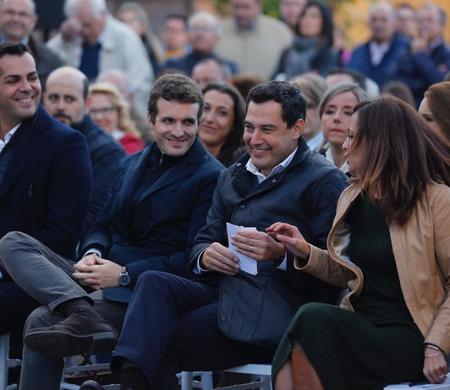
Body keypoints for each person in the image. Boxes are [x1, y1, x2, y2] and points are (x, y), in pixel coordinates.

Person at [102, 80, 348, 390]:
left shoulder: (324, 181)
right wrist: (206, 256)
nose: (254, 139)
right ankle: (131, 374)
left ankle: (128, 376)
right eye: (249, 127)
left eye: (267, 130)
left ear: (297, 128)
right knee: (153, 282)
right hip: (225, 292)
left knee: (155, 341)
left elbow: (337, 271)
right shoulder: (232, 174)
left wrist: (282, 255)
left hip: (276, 311)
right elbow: (201, 241)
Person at [0, 73, 224, 390]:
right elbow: (102, 224)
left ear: (198, 122)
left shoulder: (212, 176)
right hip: (99, 277)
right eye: (169, 120)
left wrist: (122, 274)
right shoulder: (130, 163)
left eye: (188, 122)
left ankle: (78, 310)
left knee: (40, 321)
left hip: (144, 293)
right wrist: (93, 253)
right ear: (151, 119)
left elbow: (192, 257)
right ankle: (77, 308)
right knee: (13, 243)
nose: (178, 131)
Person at [270, 96, 450, 389]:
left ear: (380, 143)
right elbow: (348, 272)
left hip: (415, 334)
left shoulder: (437, 200)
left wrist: (436, 345)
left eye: (354, 137)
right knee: (303, 338)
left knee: (311, 319)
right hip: (361, 323)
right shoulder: (352, 197)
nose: (344, 144)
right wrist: (306, 251)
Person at [0, 43, 91, 335]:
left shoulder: (65, 144)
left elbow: (61, 237)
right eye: (13, 80)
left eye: (32, 77)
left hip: (31, 280)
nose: (27, 87)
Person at [43, 66, 125, 235]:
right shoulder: (32, 139)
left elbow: (92, 218)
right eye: (53, 98)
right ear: (43, 100)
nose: (60, 106)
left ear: (87, 104)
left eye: (69, 99)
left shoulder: (108, 151)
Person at [46, 0, 153, 118]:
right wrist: (63, 40)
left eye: (87, 24)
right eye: (78, 24)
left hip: (113, 117)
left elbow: (140, 84)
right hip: (75, 114)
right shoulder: (72, 35)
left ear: (103, 15)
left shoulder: (126, 38)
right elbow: (45, 59)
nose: (83, 30)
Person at [216, 0, 293, 80]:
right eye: (236, 7)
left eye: (246, 7)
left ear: (259, 7)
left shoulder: (280, 32)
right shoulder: (218, 31)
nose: (241, 12)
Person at [393, 4, 450, 105]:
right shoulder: (405, 48)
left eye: (429, 20)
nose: (424, 24)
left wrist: (420, 55)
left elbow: (440, 83)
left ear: (441, 25)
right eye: (420, 21)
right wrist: (424, 83)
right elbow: (398, 82)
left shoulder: (447, 53)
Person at [0, 0, 63, 86]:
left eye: (22, 14)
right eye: (10, 12)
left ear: (33, 20)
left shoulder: (51, 61)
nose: (15, 19)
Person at [347, 1, 409, 87]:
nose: (378, 24)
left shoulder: (406, 50)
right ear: (368, 23)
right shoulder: (358, 52)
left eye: (384, 20)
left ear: (394, 23)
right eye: (374, 19)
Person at [274, 0, 338, 79]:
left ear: (324, 22)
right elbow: (273, 80)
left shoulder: (329, 55)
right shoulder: (287, 53)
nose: (306, 20)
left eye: (314, 16)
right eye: (303, 15)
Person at [162, 12, 238, 77]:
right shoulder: (173, 65)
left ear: (217, 37)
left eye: (205, 29)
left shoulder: (228, 67)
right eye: (195, 29)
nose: (199, 34)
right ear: (188, 35)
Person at [318, 83, 368, 172]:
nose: (336, 118)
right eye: (330, 111)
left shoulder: (370, 169)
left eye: (348, 112)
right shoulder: (307, 164)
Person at [88, 82, 144, 154]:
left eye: (105, 110)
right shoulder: (78, 143)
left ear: (118, 112)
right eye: (92, 111)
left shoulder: (131, 145)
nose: (99, 117)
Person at [198, 83, 245, 166]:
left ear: (234, 123)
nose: (209, 119)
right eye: (206, 108)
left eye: (222, 113)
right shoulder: (176, 154)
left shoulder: (240, 166)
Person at [116, 2, 163, 76]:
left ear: (143, 26)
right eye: (122, 21)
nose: (125, 26)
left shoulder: (152, 53)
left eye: (130, 21)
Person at [291, 74, 327, 152]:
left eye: (310, 106)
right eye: (296, 106)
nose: (302, 112)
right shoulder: (283, 150)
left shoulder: (331, 151)